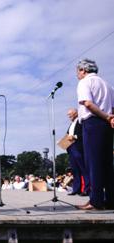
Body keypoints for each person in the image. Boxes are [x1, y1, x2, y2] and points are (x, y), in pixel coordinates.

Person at [75, 59, 114, 210]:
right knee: (107, 163)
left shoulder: (85, 82)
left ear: (83, 70)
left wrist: (105, 117)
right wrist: (110, 118)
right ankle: (111, 199)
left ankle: (95, 200)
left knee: (93, 162)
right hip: (107, 125)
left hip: (93, 123)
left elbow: (88, 104)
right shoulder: (108, 85)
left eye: (78, 72)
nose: (78, 75)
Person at [65, 108, 89, 196]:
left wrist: (74, 136)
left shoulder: (80, 122)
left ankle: (87, 189)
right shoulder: (71, 124)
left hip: (78, 148)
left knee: (83, 169)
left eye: (69, 114)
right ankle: (76, 189)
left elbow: (84, 133)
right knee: (75, 170)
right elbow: (68, 135)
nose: (68, 116)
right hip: (71, 148)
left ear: (75, 113)